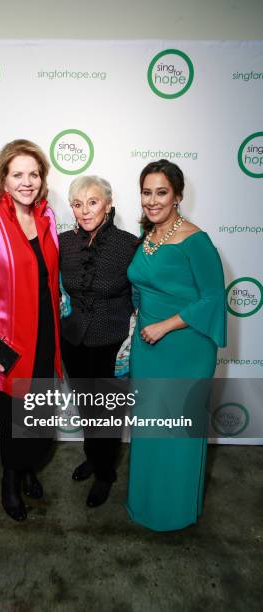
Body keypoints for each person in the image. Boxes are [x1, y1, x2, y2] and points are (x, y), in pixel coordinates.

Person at [0, 139, 62, 522]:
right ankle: (10, 480)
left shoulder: (46, 217)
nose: (27, 182)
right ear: (3, 180)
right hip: (8, 343)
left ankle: (30, 467)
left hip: (45, 335)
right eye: (17, 174)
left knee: (38, 412)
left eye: (33, 174)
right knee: (13, 417)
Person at [126, 159, 227, 531]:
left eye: (162, 192)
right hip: (148, 348)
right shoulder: (149, 237)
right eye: (147, 192)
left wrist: (164, 326)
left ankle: (173, 510)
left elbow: (213, 298)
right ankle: (146, 502)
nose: (152, 201)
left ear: (178, 196)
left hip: (185, 348)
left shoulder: (196, 240)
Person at [59, 176, 136, 507]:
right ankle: (93, 457)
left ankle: (105, 472)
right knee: (87, 408)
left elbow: (141, 296)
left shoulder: (129, 245)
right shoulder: (62, 243)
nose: (85, 210)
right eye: (77, 203)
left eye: (92, 202)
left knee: (108, 413)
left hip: (111, 342)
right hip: (73, 340)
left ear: (108, 203)